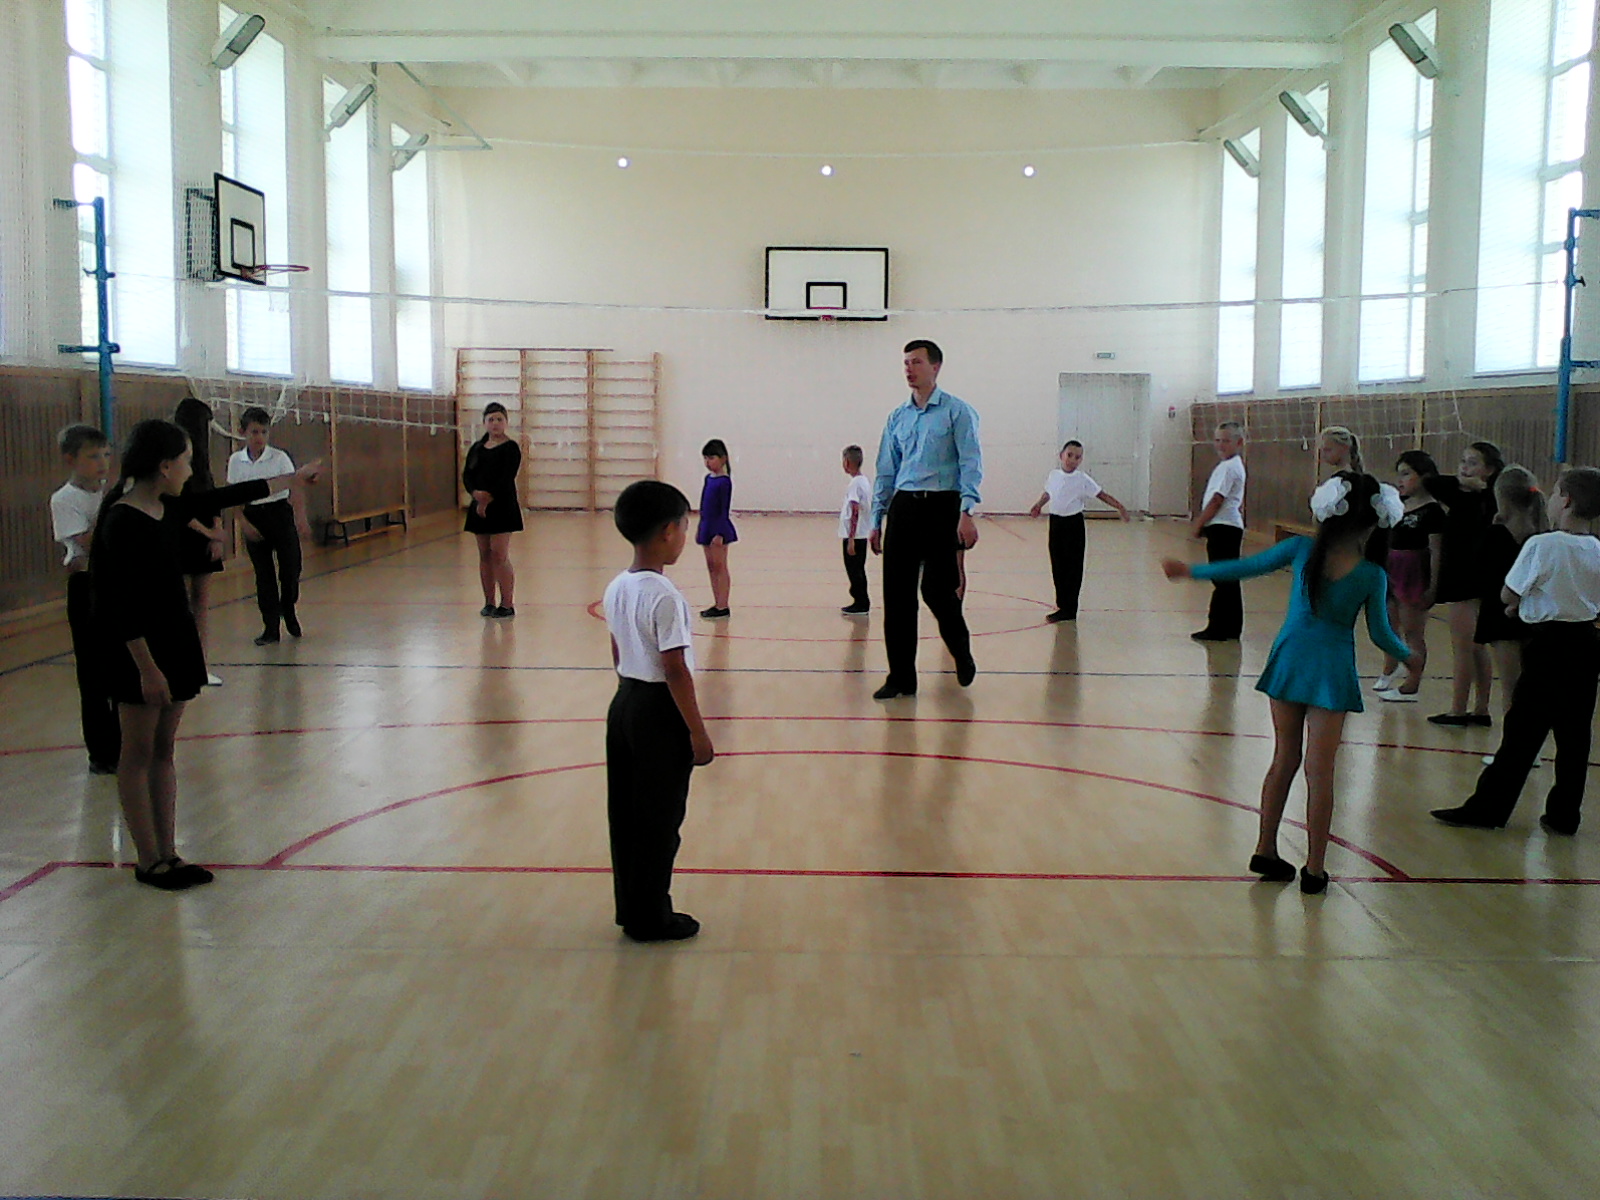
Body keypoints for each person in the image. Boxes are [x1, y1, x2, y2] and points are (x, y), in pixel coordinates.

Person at [92, 419, 319, 889]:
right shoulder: (122, 520)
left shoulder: (169, 508)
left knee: (164, 749)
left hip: (174, 641)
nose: (191, 470)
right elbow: (119, 603)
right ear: (165, 465)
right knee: (137, 753)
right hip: (139, 652)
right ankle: (147, 859)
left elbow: (231, 495)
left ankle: (169, 852)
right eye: (187, 461)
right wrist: (147, 668)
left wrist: (293, 479)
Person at [1162, 472, 1410, 893]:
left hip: (1290, 659)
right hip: (1331, 669)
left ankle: (1265, 848)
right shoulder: (1372, 574)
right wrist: (1410, 657)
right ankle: (1315, 869)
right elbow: (1381, 634)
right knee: (1321, 771)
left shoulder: (1301, 550)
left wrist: (1191, 571)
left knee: (1283, 759)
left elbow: (1246, 567)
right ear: (1375, 523)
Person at [1431, 467, 1600, 836]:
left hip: (1550, 645)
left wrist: (1520, 606)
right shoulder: (1597, 548)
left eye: (1556, 493)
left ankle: (1488, 807)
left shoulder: (1543, 545)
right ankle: (1564, 814)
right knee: (1574, 733)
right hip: (1586, 644)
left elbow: (1509, 593)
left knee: (1522, 730)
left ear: (1566, 500)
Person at [603, 479, 715, 941]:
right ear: (668, 531)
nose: (685, 537)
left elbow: (617, 649)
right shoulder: (665, 595)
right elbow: (674, 669)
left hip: (624, 702)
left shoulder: (617, 586)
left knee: (627, 815)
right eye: (684, 527)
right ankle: (652, 916)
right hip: (658, 712)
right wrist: (697, 732)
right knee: (659, 820)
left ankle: (633, 908)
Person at [867, 339, 983, 699]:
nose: (909, 369)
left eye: (916, 362)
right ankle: (901, 677)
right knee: (897, 596)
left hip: (943, 506)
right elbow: (886, 470)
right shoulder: (897, 417)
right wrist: (876, 518)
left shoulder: (957, 412)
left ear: (936, 367)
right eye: (906, 363)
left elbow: (970, 462)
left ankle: (960, 650)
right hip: (904, 507)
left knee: (937, 589)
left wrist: (967, 511)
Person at [49, 423, 118, 775]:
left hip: (117, 584)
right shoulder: (64, 499)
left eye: (105, 455)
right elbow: (91, 545)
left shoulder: (113, 493)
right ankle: (101, 753)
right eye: (92, 456)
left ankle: (126, 744)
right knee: (92, 673)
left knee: (121, 666)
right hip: (86, 587)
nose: (102, 462)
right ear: (70, 460)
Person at [1424, 441, 1504, 727]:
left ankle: (1458, 710)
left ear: (1489, 470)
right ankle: (1480, 709)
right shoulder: (1458, 494)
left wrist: (1484, 488)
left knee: (1464, 647)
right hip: (1463, 575)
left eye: (1472, 463)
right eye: (1463, 461)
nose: (1464, 468)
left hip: (1470, 577)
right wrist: (1466, 482)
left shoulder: (1494, 499)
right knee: (1476, 646)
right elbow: (1432, 481)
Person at [227, 407, 309, 646]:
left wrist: (300, 518)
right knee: (264, 576)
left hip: (279, 514)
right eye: (254, 432)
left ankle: (288, 607)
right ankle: (270, 627)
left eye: (264, 432)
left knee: (291, 568)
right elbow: (233, 497)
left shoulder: (279, 458)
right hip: (254, 516)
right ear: (243, 432)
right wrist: (243, 523)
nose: (259, 437)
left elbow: (295, 488)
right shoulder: (236, 461)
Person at [1472, 466, 1547, 723]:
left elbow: (1478, 573)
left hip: (1501, 616)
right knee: (1530, 686)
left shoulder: (1495, 535)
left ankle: (1514, 743)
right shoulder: (1541, 537)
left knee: (1511, 689)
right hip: (1534, 616)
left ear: (1501, 499)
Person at [1028, 439, 1131, 622]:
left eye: (1077, 457)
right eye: (1070, 455)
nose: (1073, 460)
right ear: (1061, 455)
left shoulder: (1082, 479)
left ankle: (1070, 609)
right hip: (1056, 524)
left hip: (1073, 525)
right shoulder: (1054, 475)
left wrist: (1120, 507)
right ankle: (1062, 605)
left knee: (1073, 568)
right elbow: (1048, 493)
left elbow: (1101, 494)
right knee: (1058, 565)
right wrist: (1038, 505)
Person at [1374, 451, 1446, 701]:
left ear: (1424, 476)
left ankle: (1412, 683)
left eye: (1406, 474)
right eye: (1399, 474)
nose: (1400, 480)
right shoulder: (1398, 505)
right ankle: (1389, 667)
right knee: (1388, 625)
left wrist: (1433, 586)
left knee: (1412, 631)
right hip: (1391, 570)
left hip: (1413, 572)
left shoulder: (1433, 511)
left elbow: (1436, 550)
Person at [172, 397, 228, 686]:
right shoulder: (173, 457)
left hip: (205, 537)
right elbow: (176, 506)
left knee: (201, 603)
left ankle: (201, 665)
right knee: (179, 604)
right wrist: (207, 532)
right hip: (180, 536)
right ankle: (178, 663)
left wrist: (216, 530)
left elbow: (211, 497)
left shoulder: (202, 460)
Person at [462, 401, 523, 617]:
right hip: (479, 506)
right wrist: (474, 493)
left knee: (499, 554)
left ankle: (507, 603)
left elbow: (506, 477)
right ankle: (489, 601)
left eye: (499, 419)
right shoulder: (477, 448)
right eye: (491, 419)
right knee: (484, 555)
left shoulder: (511, 448)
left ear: (505, 422)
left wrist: (487, 499)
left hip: (502, 506)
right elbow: (467, 475)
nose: (495, 423)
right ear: (484, 423)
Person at [1190, 421, 1247, 641]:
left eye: (1226, 441)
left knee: (1222, 578)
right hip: (1224, 527)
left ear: (1238, 442)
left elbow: (1217, 500)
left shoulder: (1230, 467)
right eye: (1217, 440)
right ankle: (1231, 628)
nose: (1220, 445)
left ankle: (1219, 628)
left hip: (1224, 527)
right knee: (1227, 579)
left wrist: (1199, 523)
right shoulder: (1229, 465)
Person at [696, 438, 736, 619]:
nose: (707, 462)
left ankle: (723, 605)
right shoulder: (708, 479)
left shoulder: (724, 482)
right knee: (711, 566)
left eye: (711, 458)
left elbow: (723, 509)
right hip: (706, 525)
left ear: (723, 459)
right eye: (705, 458)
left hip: (718, 527)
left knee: (720, 566)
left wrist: (719, 534)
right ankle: (716, 602)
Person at [839, 444, 872, 614]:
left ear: (847, 462)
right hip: (861, 535)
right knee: (858, 569)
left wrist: (851, 539)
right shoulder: (863, 481)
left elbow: (855, 510)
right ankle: (860, 600)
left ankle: (861, 602)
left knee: (854, 570)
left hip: (855, 536)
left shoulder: (855, 484)